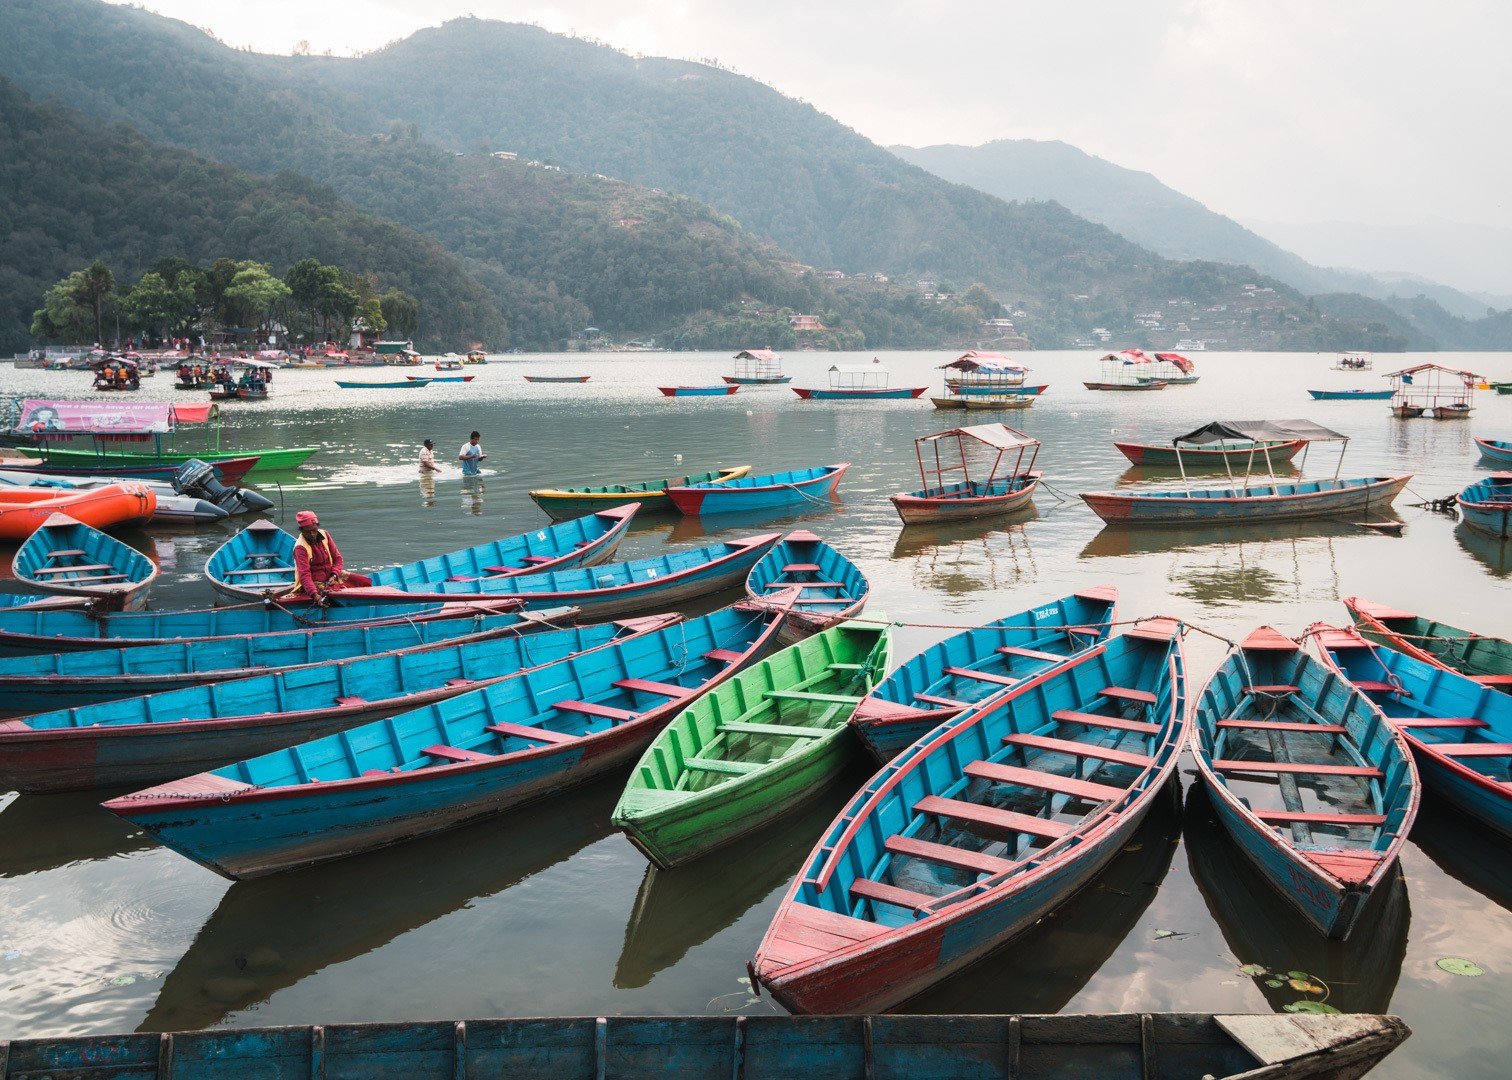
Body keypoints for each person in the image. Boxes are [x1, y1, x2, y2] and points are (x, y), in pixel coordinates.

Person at [288, 510, 371, 602]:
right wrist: (314, 595)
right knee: (334, 592)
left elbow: (338, 559)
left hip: (330, 576)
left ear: (317, 527)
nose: (312, 534)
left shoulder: (325, 534)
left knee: (363, 581)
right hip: (314, 582)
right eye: (308, 531)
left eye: (314, 530)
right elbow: (304, 575)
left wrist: (334, 574)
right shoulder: (300, 547)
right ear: (302, 531)